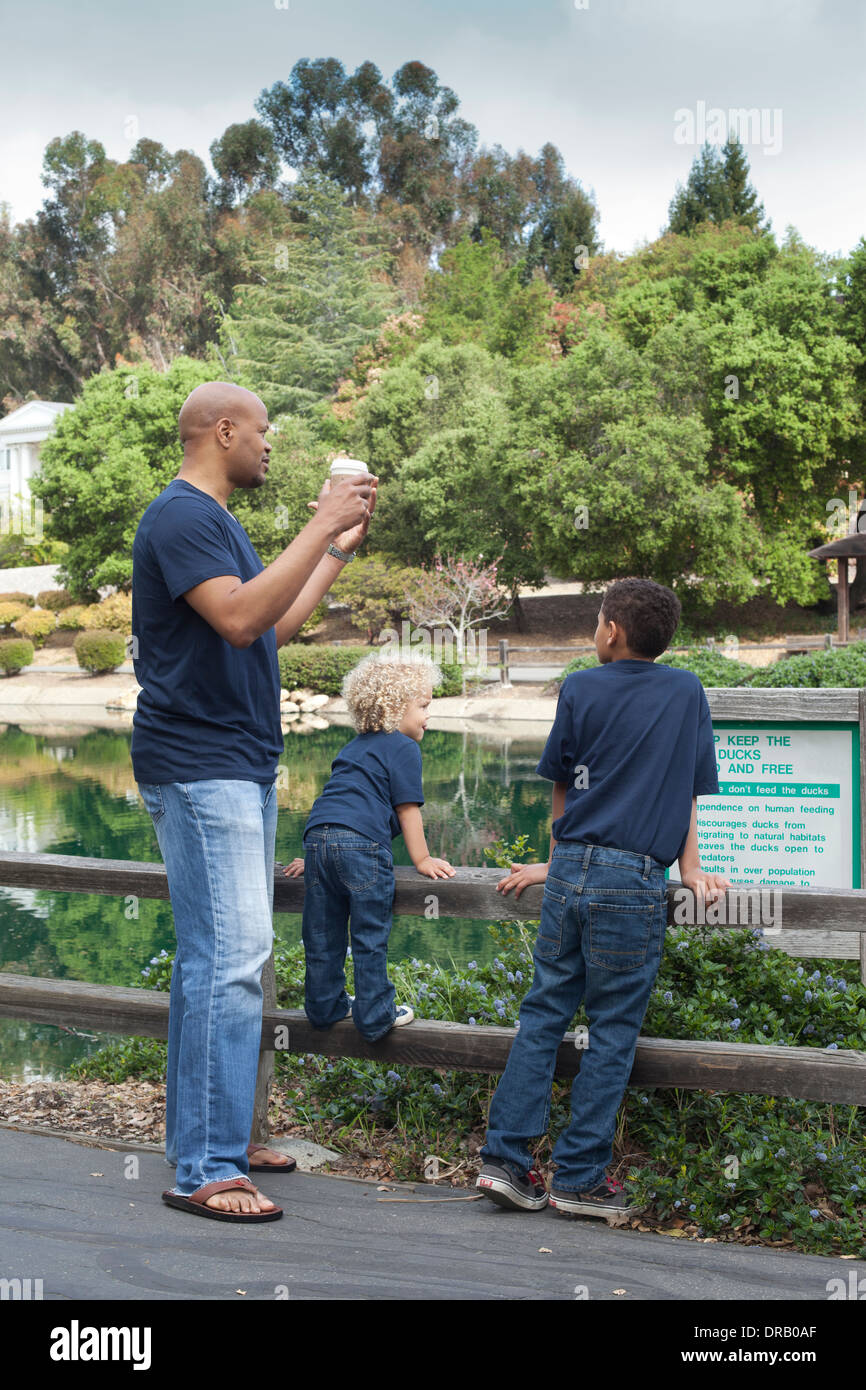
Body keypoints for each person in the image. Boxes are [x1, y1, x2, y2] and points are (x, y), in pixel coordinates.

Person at [131, 381, 376, 1222]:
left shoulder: (217, 523)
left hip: (235, 764)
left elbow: (267, 629)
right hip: (199, 765)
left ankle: (217, 1135)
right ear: (223, 431)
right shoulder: (179, 517)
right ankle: (205, 1163)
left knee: (225, 959)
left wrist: (335, 546)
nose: (270, 445)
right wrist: (317, 521)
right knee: (230, 960)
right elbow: (237, 619)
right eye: (263, 431)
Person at [476, 577, 729, 1218]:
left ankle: (506, 1161)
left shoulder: (581, 687)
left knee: (543, 1013)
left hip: (572, 875)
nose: (594, 631)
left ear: (611, 630)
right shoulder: (685, 690)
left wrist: (556, 863)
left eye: (595, 621)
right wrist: (692, 870)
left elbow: (564, 786)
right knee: (612, 1029)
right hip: (632, 878)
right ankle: (579, 1178)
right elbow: (688, 787)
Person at [283, 652, 455, 1039]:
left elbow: (337, 801)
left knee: (321, 933)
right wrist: (422, 858)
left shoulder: (353, 747)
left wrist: (314, 857)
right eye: (424, 706)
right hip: (361, 847)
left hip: (319, 837)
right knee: (369, 934)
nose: (429, 714)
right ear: (394, 707)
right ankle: (376, 1016)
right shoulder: (404, 748)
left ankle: (324, 1008)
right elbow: (407, 808)